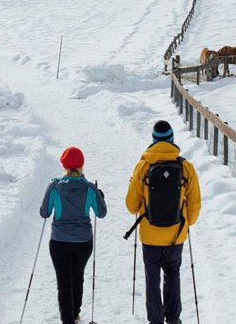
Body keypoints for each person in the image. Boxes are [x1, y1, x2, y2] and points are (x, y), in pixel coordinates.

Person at [125, 120, 201, 324]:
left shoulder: (143, 167)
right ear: (172, 139)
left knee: (152, 279)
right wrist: (188, 223)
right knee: (173, 275)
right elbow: (194, 203)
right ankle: (174, 318)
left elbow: (132, 206)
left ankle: (155, 320)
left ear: (153, 140)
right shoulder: (186, 168)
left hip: (150, 235)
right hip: (176, 235)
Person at [40, 147, 107, 324]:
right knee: (78, 276)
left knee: (63, 282)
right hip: (83, 242)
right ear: (81, 165)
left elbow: (44, 213)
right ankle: (75, 313)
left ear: (64, 164)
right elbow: (101, 213)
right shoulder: (90, 188)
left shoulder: (54, 186)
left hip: (59, 242)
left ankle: (67, 320)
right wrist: (100, 196)